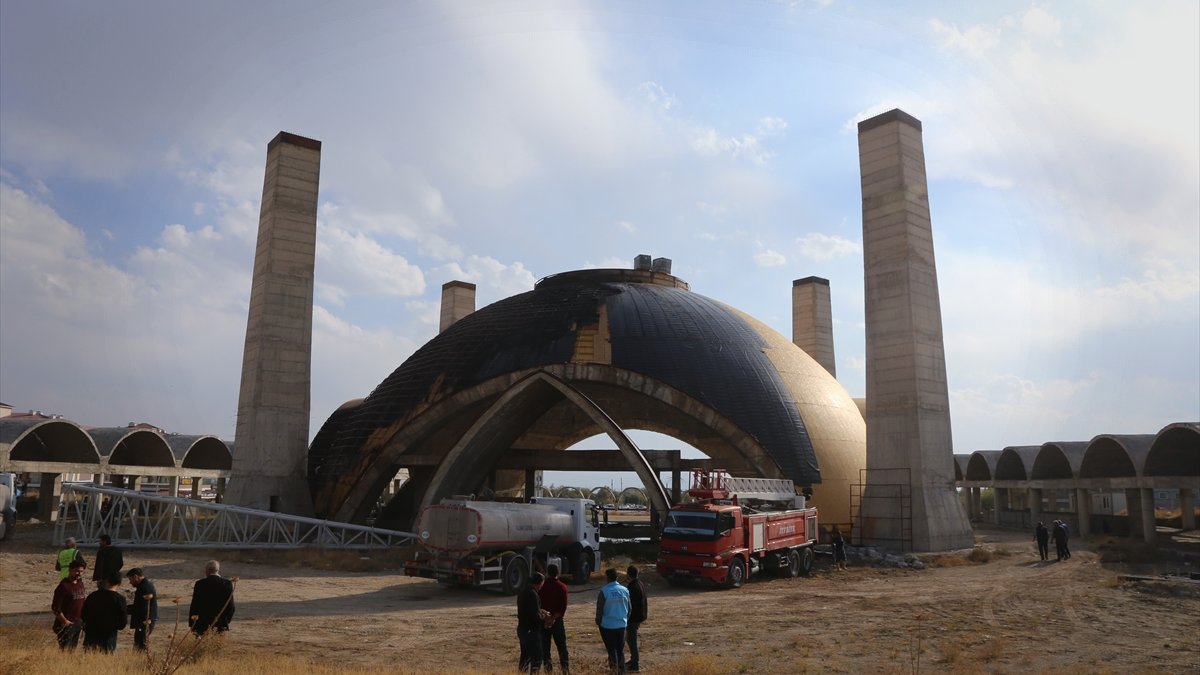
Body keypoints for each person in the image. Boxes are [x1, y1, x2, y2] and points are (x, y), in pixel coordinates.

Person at [81, 572, 128, 652]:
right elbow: (122, 622)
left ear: (106, 581)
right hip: (108, 637)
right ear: (120, 583)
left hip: (91, 634)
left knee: (89, 660)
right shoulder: (120, 599)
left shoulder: (93, 596)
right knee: (105, 660)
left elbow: (83, 614)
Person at [595, 568, 631, 674]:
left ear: (607, 578)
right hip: (621, 625)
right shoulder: (625, 590)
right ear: (617, 577)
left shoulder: (604, 591)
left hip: (607, 626)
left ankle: (614, 671)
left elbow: (599, 610)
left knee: (612, 650)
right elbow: (630, 609)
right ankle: (621, 671)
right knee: (620, 650)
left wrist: (599, 622)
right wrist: (624, 620)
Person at [188, 560, 235, 635]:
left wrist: (192, 624)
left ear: (207, 571)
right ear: (218, 570)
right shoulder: (227, 584)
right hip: (220, 623)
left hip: (201, 624)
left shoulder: (200, 584)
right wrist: (225, 621)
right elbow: (231, 606)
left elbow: (194, 605)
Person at [538, 564, 570, 673]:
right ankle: (565, 670)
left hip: (543, 621)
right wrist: (553, 618)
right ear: (558, 573)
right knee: (562, 648)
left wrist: (547, 618)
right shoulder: (562, 587)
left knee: (545, 650)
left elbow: (539, 604)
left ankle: (548, 671)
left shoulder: (542, 586)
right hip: (557, 622)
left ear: (547, 572)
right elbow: (563, 607)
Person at [517, 571, 550, 673]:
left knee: (525, 657)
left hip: (522, 628)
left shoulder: (523, 592)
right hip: (531, 630)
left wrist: (540, 610)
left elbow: (529, 610)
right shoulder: (532, 594)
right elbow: (534, 615)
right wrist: (544, 617)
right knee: (536, 658)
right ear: (540, 583)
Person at [51, 558, 88, 648]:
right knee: (65, 650)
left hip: (78, 623)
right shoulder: (63, 586)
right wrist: (64, 621)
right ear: (70, 570)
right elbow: (55, 607)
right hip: (66, 624)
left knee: (72, 650)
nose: (79, 574)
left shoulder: (80, 584)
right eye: (77, 571)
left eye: (81, 571)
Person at [126, 567, 158, 650]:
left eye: (130, 579)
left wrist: (124, 609)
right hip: (145, 621)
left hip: (145, 621)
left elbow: (141, 608)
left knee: (141, 645)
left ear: (135, 577)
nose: (130, 582)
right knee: (139, 643)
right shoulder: (145, 585)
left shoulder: (144, 588)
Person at [624, 566, 648, 673]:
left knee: (631, 640)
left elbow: (629, 605)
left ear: (628, 574)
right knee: (631, 639)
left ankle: (635, 664)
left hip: (634, 618)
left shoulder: (632, 587)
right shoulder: (640, 583)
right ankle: (633, 660)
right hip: (639, 616)